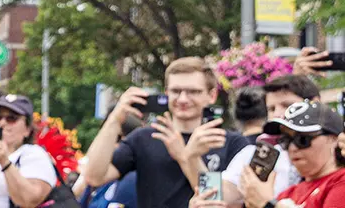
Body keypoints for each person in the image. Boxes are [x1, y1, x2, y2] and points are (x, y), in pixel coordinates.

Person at [83, 57, 253, 207]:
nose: (183, 99)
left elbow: (217, 202)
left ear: (211, 95)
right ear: (166, 93)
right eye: (176, 91)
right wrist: (114, 119)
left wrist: (186, 157)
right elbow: (94, 177)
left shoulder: (230, 142)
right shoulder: (145, 137)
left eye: (193, 91)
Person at [228, 74, 323, 199]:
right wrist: (193, 157)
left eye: (287, 106)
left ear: (315, 104)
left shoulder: (336, 152)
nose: (278, 114)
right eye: (271, 109)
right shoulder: (258, 154)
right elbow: (222, 197)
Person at [239, 101, 345, 207]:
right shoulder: (289, 193)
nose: (292, 148)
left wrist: (267, 204)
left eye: (302, 139)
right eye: (285, 140)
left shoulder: (340, 182)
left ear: (334, 139)